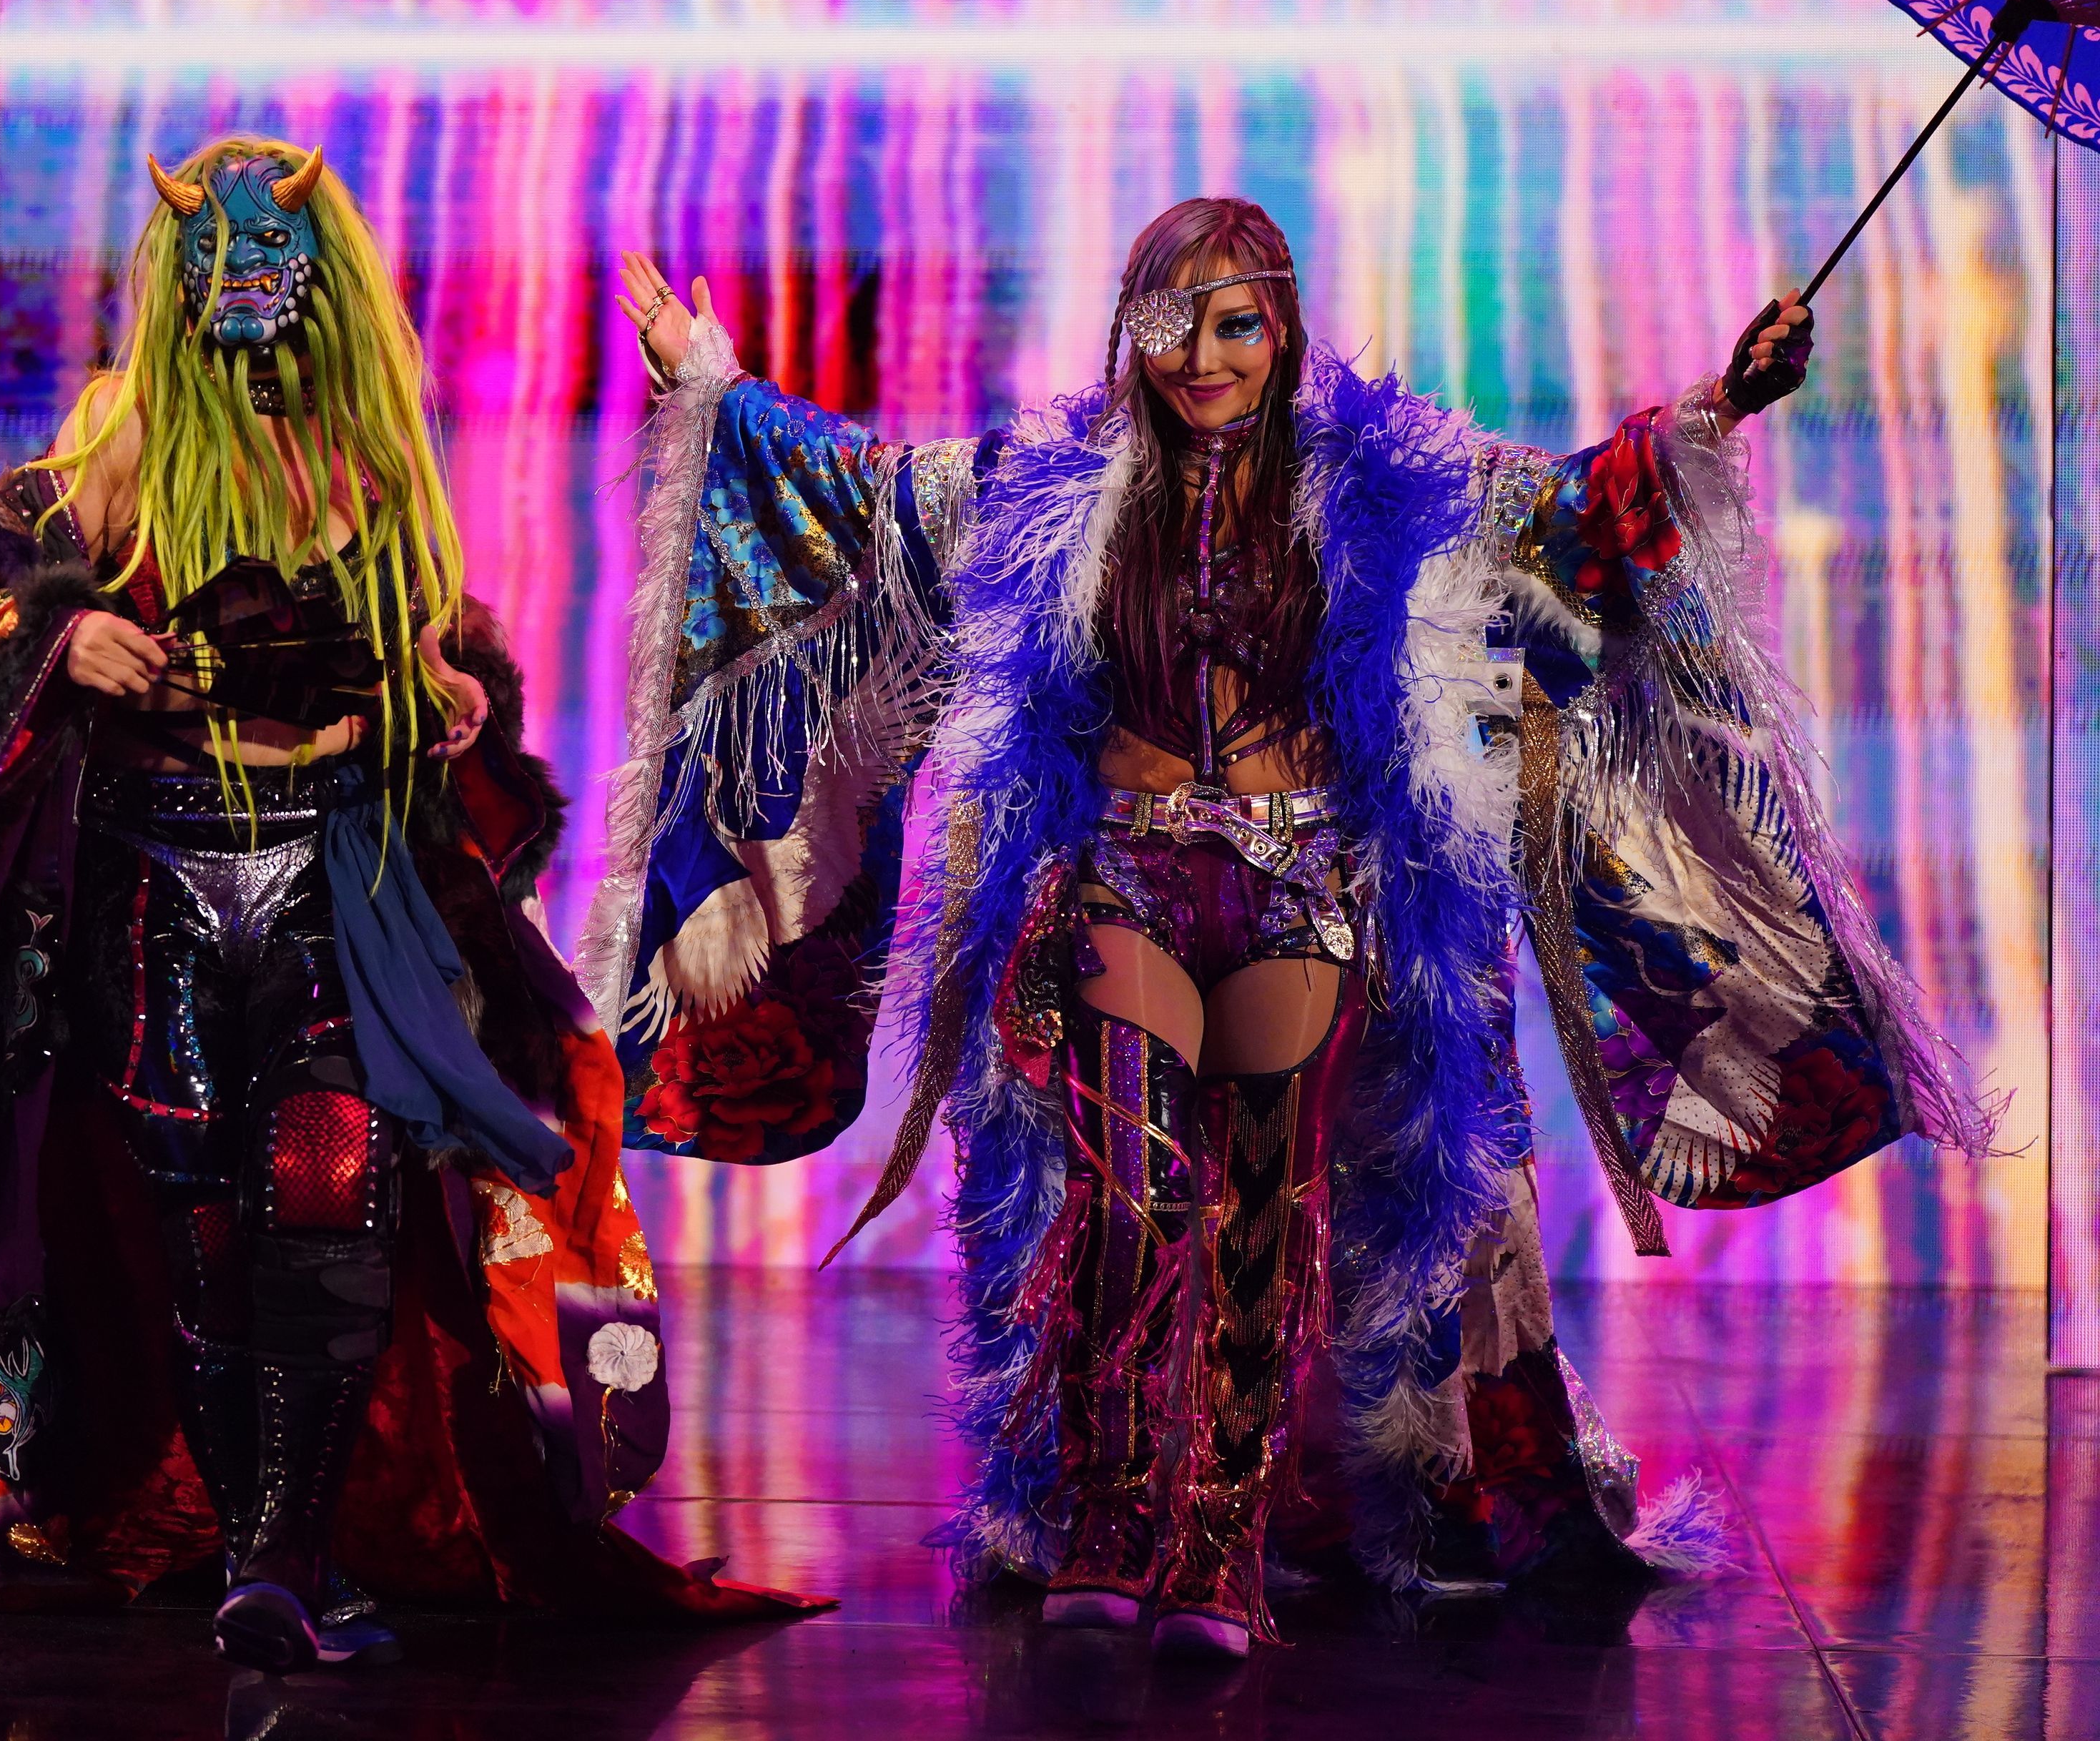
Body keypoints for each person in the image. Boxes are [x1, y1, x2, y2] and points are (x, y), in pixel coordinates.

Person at [591, 197, 1993, 1657]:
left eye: (1235, 325)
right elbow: (855, 495)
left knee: (1267, 1210)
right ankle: (1111, 1518)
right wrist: (714, 388)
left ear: (1283, 331)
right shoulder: (1046, 479)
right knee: (1127, 1202)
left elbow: (1573, 514)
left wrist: (1717, 405)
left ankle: (1215, 1541)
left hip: (1303, 893)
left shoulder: (1392, 481)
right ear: (1130, 329)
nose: (1202, 357)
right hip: (1120, 883)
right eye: (1170, 323)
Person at [0, 135, 817, 1672]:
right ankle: (255, 1547)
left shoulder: (373, 453)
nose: (252, 298)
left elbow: (428, 646)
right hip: (152, 897)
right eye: (224, 267)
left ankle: (282, 1559)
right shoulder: (118, 436)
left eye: (278, 268)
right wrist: (59, 636)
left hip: (338, 889)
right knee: (204, 1230)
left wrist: (446, 690)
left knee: (331, 1193)